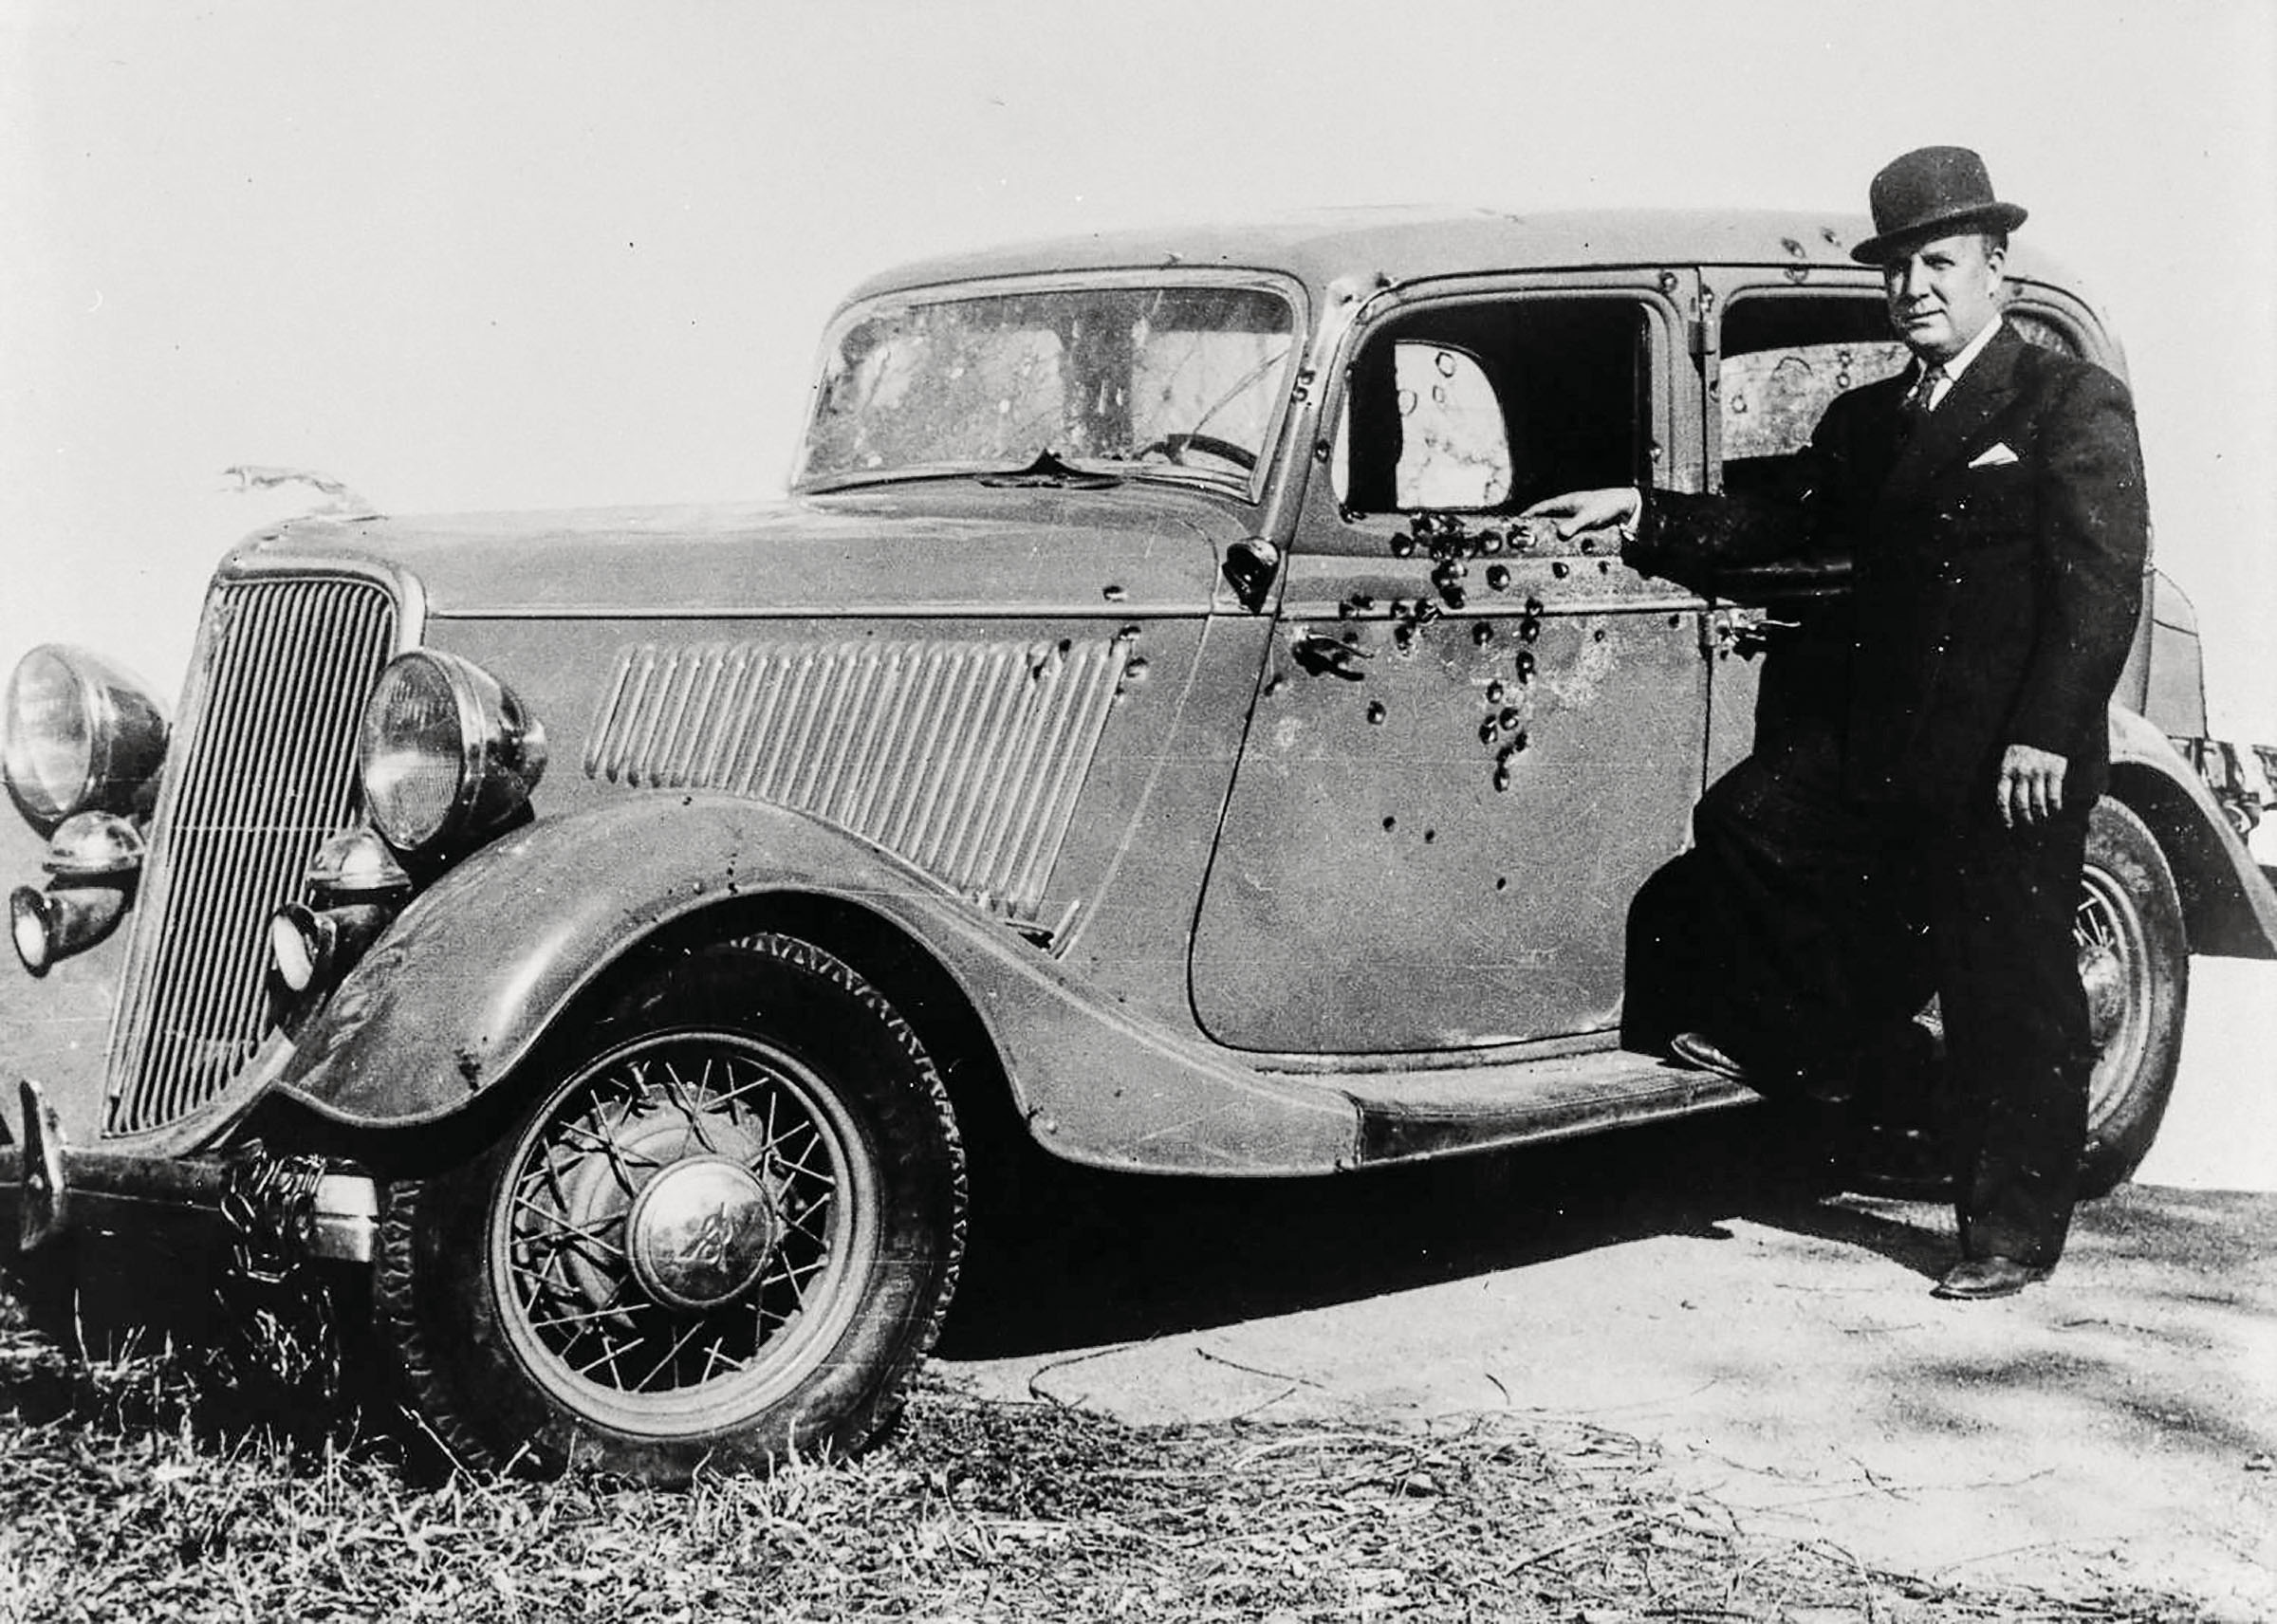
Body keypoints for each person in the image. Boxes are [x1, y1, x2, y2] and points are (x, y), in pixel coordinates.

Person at [1522, 146, 2149, 1301]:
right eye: (1899, 266)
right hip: (1888, 739)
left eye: (1940, 262)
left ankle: (2010, 1233)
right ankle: (1827, 1054)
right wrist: (1643, 510)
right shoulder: (1870, 419)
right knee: (1749, 821)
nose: (1916, 285)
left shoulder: (2064, 400)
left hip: (2012, 750)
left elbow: (2103, 582)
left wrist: (2048, 734)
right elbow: (1780, 516)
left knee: (2008, 982)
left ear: (1995, 269)